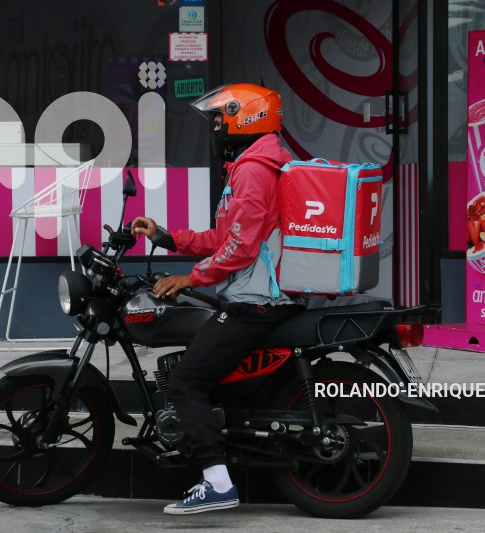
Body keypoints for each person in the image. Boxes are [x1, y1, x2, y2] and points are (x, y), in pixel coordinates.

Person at [131, 83, 304, 515]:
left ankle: (217, 481)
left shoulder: (253, 170)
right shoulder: (256, 164)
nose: (214, 127)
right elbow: (227, 237)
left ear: (243, 117)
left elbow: (240, 249)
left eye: (218, 118)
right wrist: (167, 237)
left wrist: (190, 279)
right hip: (261, 294)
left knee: (187, 382)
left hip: (258, 300)